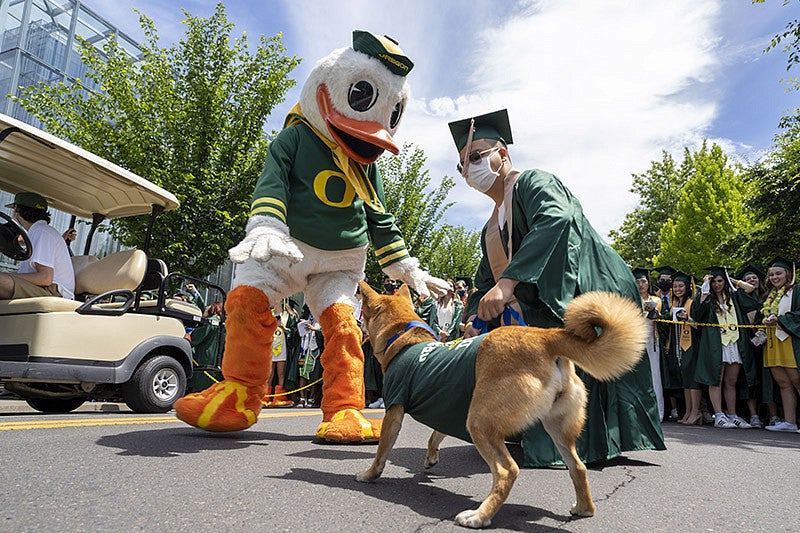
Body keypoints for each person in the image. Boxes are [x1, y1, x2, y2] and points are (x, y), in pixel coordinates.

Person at [448, 109, 664, 467]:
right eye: (462, 165)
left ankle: (587, 443)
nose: (469, 168)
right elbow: (483, 281)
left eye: (476, 156)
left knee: (586, 359)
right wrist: (474, 314)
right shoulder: (491, 226)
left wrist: (507, 284)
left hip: (592, 283)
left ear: (502, 155)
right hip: (547, 300)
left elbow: (556, 219)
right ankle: (540, 434)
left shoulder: (533, 182)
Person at [693, 266, 760, 429]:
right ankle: (719, 415)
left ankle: (732, 414)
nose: (717, 284)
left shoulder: (735, 297)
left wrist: (734, 281)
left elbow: (752, 291)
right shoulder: (706, 298)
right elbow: (697, 314)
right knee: (717, 379)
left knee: (731, 381)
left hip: (734, 342)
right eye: (714, 281)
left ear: (725, 281)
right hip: (716, 344)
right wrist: (704, 291)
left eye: (720, 280)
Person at [0, 192, 74, 300]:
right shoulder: (37, 232)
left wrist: (8, 275)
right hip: (44, 288)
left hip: (53, 291)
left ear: (16, 209)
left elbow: (45, 278)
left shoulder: (42, 232)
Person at [761, 257, 800, 432]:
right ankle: (790, 422)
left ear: (788, 274)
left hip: (790, 340)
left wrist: (780, 320)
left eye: (779, 273)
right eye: (771, 274)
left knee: (797, 379)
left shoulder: (797, 291)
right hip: (772, 341)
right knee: (783, 382)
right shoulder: (771, 295)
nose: (774, 277)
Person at [736, 264, 771, 428]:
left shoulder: (768, 297)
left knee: (768, 378)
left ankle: (773, 415)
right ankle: (754, 415)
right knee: (750, 378)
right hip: (750, 341)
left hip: (768, 341)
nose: (752, 280)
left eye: (754, 277)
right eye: (747, 279)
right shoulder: (742, 296)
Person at [666, 271, 701, 426]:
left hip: (691, 345)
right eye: (675, 286)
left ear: (687, 287)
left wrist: (689, 318)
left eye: (681, 286)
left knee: (692, 379)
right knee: (685, 379)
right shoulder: (675, 305)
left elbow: (700, 323)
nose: (678, 289)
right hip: (678, 346)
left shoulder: (693, 302)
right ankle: (688, 411)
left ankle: (696, 411)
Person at [634, 267, 664, 422]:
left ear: (648, 283)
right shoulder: (630, 299)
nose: (641, 284)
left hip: (652, 341)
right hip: (634, 341)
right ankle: (639, 411)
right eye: (638, 281)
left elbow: (658, 316)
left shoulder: (656, 299)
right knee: (637, 376)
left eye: (643, 281)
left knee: (654, 376)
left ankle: (658, 412)